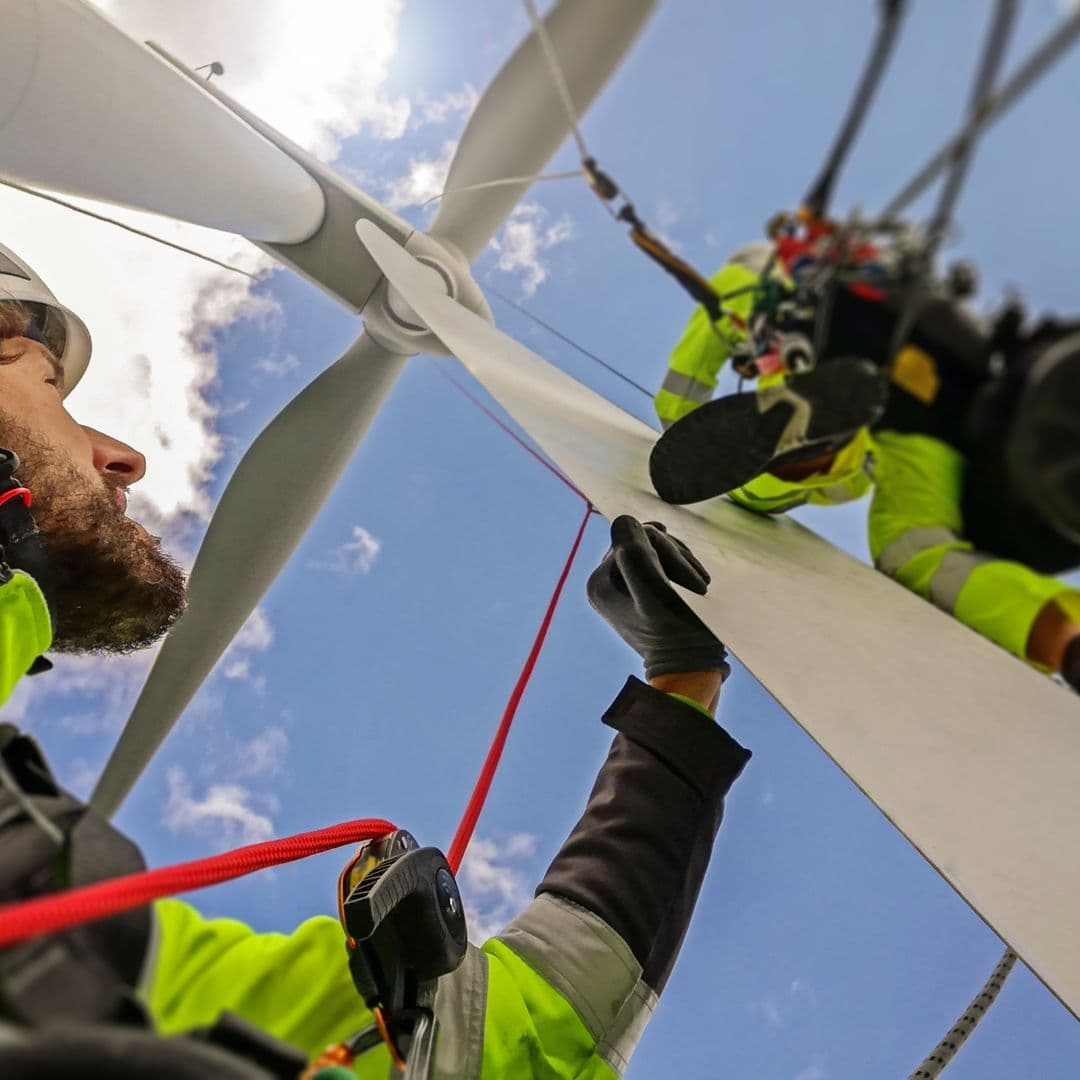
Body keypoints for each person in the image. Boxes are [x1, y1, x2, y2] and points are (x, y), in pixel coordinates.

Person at [0, 240, 750, 1078]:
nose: (124, 458)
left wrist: (680, 688)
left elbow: (503, 1041)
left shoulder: (74, 942)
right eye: (48, 386)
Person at [649, 221, 1080, 690]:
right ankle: (1066, 641)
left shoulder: (753, 278)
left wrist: (677, 424)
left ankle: (814, 449)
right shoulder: (889, 271)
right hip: (941, 386)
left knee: (763, 492)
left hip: (836, 346)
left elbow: (687, 378)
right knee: (920, 548)